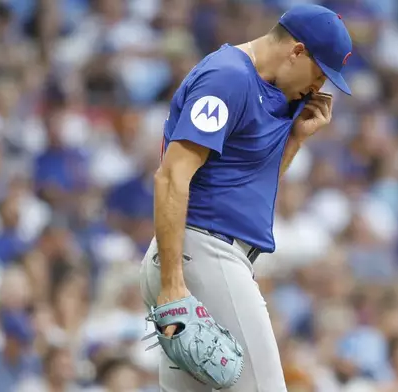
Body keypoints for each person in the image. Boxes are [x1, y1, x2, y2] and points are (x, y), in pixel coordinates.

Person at [139, 4, 353, 392]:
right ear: (297, 51)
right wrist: (173, 283)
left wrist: (295, 139)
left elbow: (247, 185)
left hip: (203, 254)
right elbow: (171, 177)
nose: (319, 89)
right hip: (201, 254)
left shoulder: (268, 89)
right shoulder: (228, 77)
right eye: (320, 75)